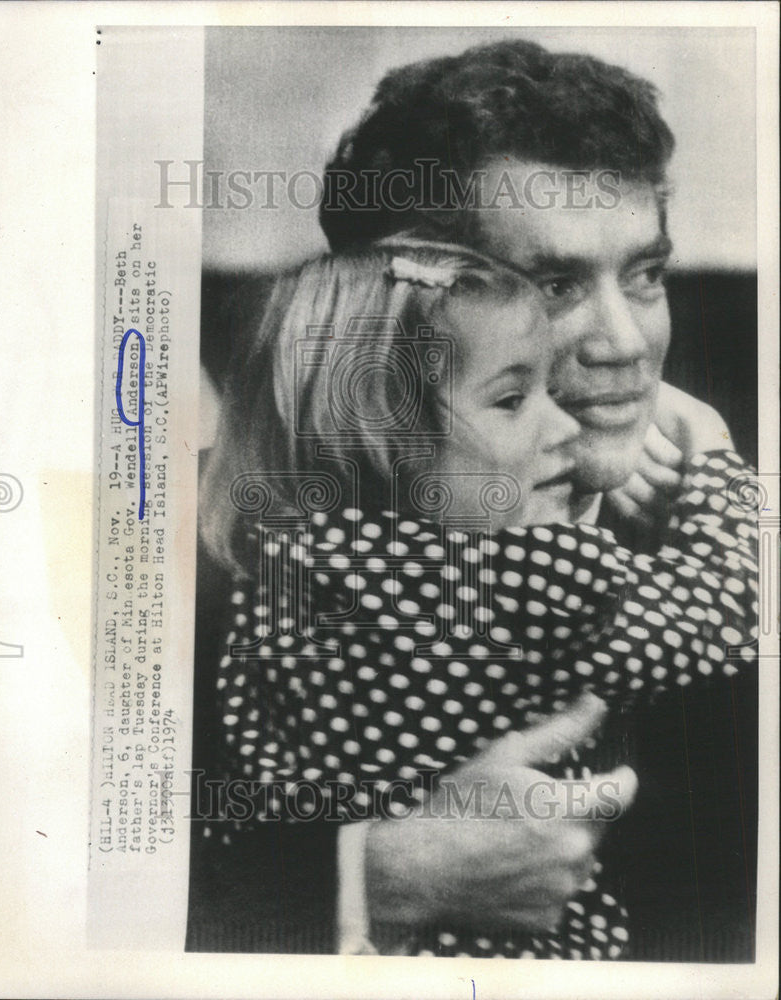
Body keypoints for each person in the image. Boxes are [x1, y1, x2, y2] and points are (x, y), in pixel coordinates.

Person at [187, 38, 758, 960]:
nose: (623, 343)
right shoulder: (193, 550)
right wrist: (378, 878)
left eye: (645, 276)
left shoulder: (696, 534)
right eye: (556, 283)